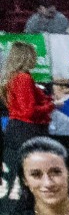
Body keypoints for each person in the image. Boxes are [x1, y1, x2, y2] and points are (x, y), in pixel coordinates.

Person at [2, 41, 52, 177]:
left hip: (17, 129)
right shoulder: (23, 78)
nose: (35, 58)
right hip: (26, 131)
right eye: (33, 55)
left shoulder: (15, 76)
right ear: (26, 56)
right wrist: (51, 106)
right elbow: (28, 111)